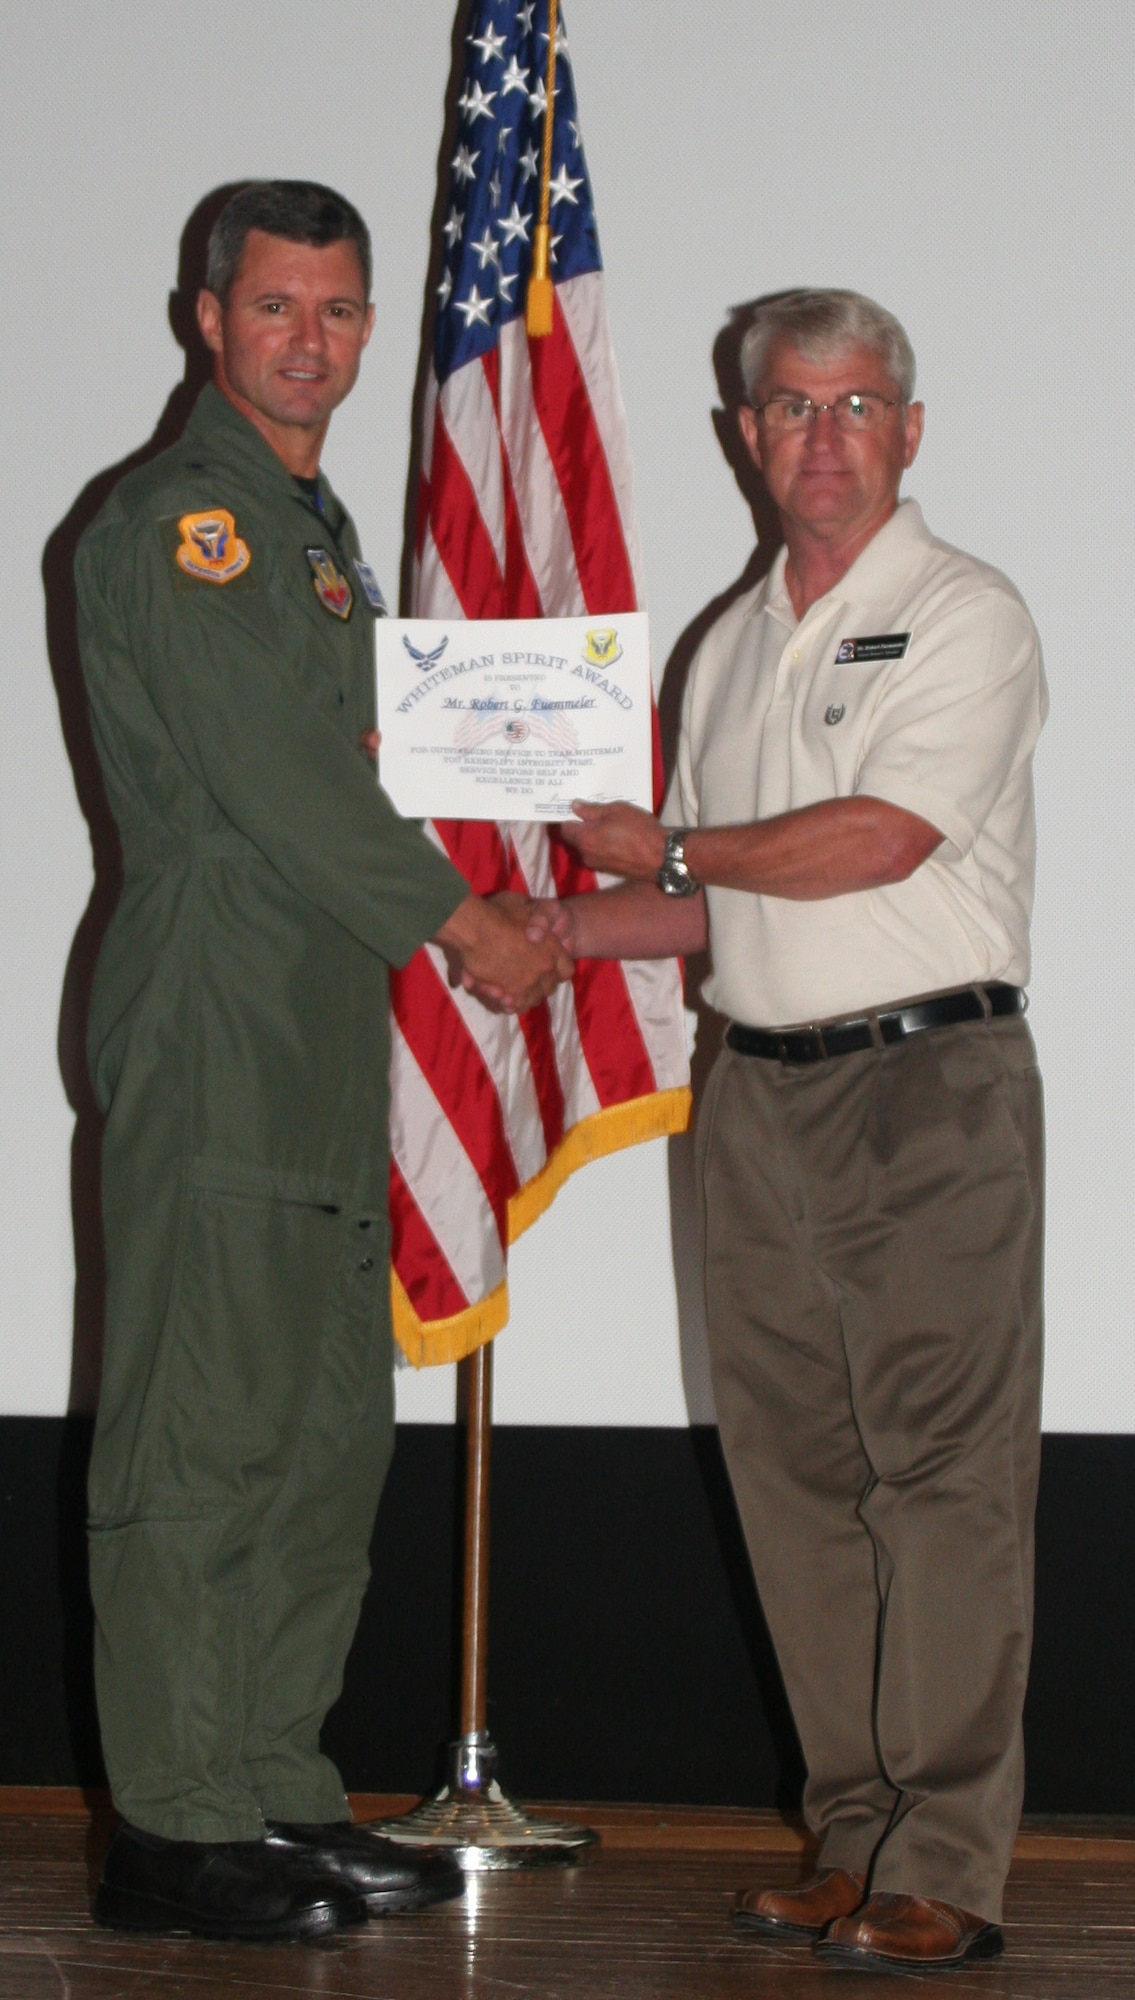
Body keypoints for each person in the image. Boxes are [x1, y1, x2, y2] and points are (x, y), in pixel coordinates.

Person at [522, 290, 1046, 1975]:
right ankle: (851, 1837)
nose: (823, 436)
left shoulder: (966, 614)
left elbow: (880, 842)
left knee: (943, 1485)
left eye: (857, 404)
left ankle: (947, 1857)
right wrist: (521, 935)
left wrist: (667, 850)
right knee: (799, 1484)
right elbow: (702, 913)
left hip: (927, 1096)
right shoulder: (725, 643)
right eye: (791, 407)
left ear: (908, 430)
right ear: (744, 438)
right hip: (752, 1093)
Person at [75, 179, 571, 1943]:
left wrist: (553, 791)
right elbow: (282, 786)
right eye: (276, 306)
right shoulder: (183, 529)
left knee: (313, 1442)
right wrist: (469, 921)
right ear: (207, 318)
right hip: (220, 1022)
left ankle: (269, 1782)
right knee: (200, 1438)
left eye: (341, 311)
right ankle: (174, 1824)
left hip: (312, 1028)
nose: (313, 340)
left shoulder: (316, 532)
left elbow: (381, 742)